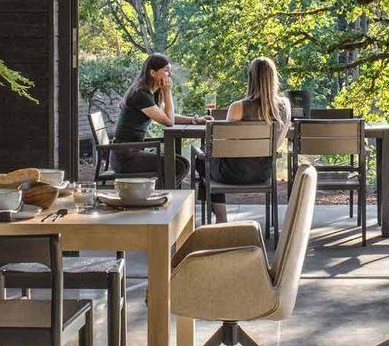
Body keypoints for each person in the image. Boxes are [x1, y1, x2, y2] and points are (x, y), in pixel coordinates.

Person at [197, 56, 291, 222]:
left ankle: (221, 217)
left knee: (202, 158)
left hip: (233, 174)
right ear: (273, 78)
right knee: (208, 158)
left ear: (251, 79)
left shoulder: (238, 107)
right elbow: (279, 141)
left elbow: (225, 147)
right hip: (264, 173)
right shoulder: (285, 106)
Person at [111, 53, 207, 182]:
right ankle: (159, 195)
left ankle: (159, 194)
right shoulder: (141, 95)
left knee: (181, 163)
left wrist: (194, 120)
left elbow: (167, 116)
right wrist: (167, 92)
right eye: (166, 70)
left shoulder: (150, 93)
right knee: (177, 165)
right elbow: (169, 121)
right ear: (152, 72)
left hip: (132, 152)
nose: (170, 74)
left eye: (170, 70)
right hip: (125, 158)